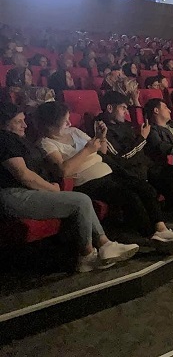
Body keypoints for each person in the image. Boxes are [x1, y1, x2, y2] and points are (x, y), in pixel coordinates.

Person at [33, 101, 173, 254]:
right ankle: (151, 235)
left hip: (109, 171)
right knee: (130, 196)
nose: (69, 123)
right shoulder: (46, 143)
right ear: (51, 124)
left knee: (145, 188)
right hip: (89, 181)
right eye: (64, 120)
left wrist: (101, 137)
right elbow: (64, 170)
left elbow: (102, 150)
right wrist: (87, 151)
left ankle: (161, 228)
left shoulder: (74, 131)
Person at [0, 102, 139, 273]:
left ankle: (105, 245)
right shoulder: (4, 139)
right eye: (18, 121)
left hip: (28, 192)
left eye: (24, 120)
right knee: (81, 201)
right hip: (14, 195)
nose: (25, 125)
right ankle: (87, 256)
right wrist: (51, 189)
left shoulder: (18, 139)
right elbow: (23, 175)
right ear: (4, 123)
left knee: (81, 200)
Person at [97, 92, 173, 241]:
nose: (126, 112)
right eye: (123, 108)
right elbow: (122, 158)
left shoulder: (126, 124)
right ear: (110, 108)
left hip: (147, 166)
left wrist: (141, 139)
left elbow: (138, 147)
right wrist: (142, 138)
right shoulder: (103, 130)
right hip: (131, 172)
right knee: (165, 184)